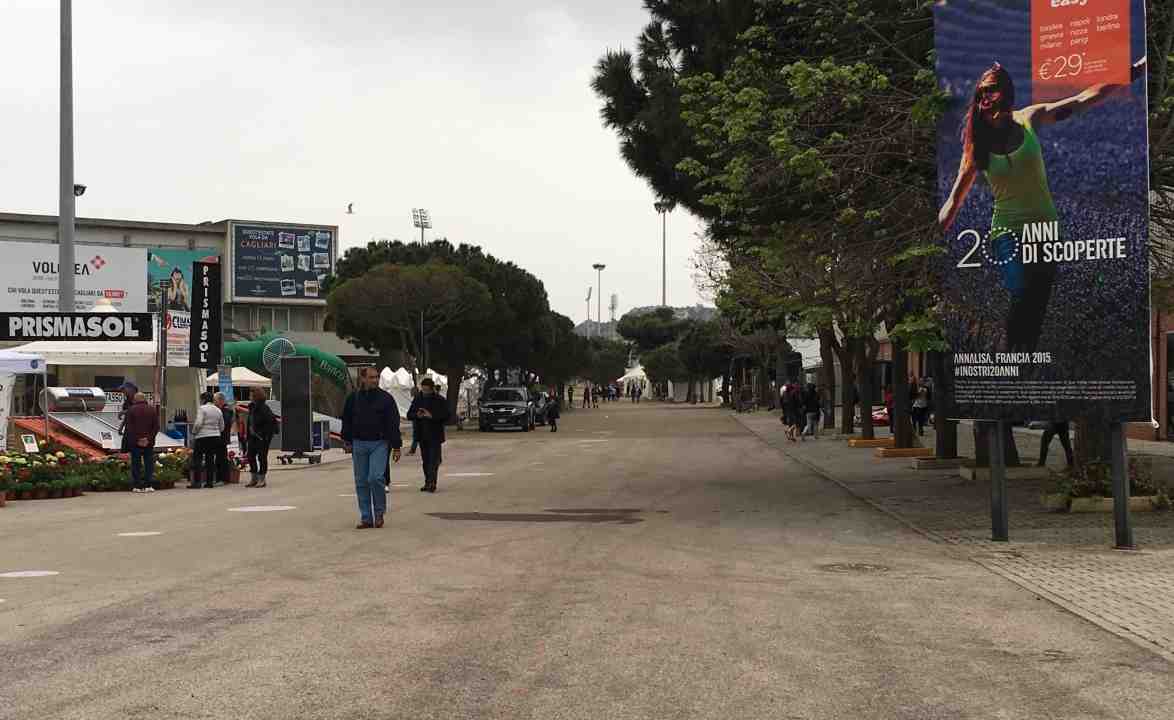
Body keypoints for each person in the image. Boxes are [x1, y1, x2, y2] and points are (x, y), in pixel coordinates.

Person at [939, 58, 1147, 352]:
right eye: (982, 92)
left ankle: (1020, 362)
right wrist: (929, 243)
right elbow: (953, 201)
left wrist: (1134, 71)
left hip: (1046, 231)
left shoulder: (1030, 118)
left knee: (1035, 308)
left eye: (992, 91)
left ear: (1006, 93)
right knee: (1022, 291)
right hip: (1007, 233)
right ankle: (1010, 357)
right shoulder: (976, 147)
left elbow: (1083, 99)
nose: (986, 97)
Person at [341, 366, 402, 529]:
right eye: (371, 377)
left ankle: (379, 512)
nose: (375, 380)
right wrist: (346, 440)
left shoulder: (386, 399)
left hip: (379, 443)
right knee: (361, 481)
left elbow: (393, 423)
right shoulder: (353, 398)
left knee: (375, 478)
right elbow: (346, 419)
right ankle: (366, 517)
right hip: (358, 443)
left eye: (376, 377)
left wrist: (396, 446)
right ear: (363, 379)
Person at [407, 377, 450, 493]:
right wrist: (417, 415)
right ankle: (427, 481)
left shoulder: (439, 400)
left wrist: (432, 416)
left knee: (433, 460)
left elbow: (447, 415)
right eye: (423, 390)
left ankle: (432, 482)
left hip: (435, 435)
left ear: (432, 389)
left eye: (427, 390)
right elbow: (409, 414)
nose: (425, 392)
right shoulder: (418, 399)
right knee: (426, 461)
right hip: (422, 435)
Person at [123, 392, 160, 493]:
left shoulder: (131, 410)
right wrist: (148, 439)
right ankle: (148, 485)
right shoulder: (152, 410)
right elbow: (156, 427)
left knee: (136, 464)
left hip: (135, 443)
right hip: (149, 443)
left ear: (136, 399)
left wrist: (137, 439)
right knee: (149, 464)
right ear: (144, 399)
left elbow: (129, 428)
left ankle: (137, 486)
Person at [190, 391, 224, 489]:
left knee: (197, 459)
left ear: (204, 399)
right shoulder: (218, 410)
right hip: (215, 437)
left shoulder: (202, 408)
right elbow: (222, 426)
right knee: (210, 459)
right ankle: (209, 482)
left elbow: (198, 423)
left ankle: (197, 482)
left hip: (202, 437)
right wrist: (215, 431)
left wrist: (194, 432)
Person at [245, 387, 277, 488]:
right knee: (250, 456)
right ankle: (254, 477)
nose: (249, 396)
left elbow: (271, 422)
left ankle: (262, 479)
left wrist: (263, 435)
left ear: (256, 396)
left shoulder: (264, 408)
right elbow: (250, 422)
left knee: (262, 457)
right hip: (252, 436)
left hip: (262, 437)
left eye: (251, 395)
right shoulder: (251, 407)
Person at [214, 392, 235, 484]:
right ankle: (220, 478)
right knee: (219, 458)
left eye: (215, 400)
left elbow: (225, 423)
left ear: (221, 400)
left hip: (222, 437)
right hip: (219, 437)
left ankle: (223, 478)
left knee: (222, 458)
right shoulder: (221, 410)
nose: (214, 402)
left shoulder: (226, 410)